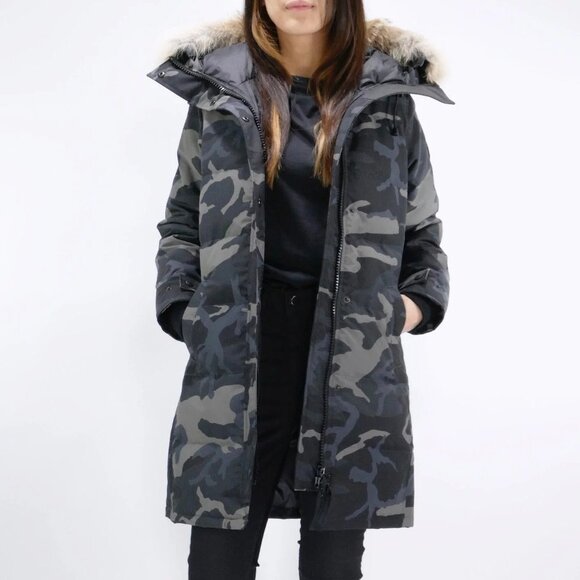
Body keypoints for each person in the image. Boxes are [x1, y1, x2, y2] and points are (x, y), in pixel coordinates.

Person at [146, 1, 454, 578]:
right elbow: (183, 219)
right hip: (240, 351)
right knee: (217, 563)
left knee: (332, 568)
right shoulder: (220, 94)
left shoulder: (386, 99)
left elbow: (421, 229)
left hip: (349, 357)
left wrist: (405, 310)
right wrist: (186, 310)